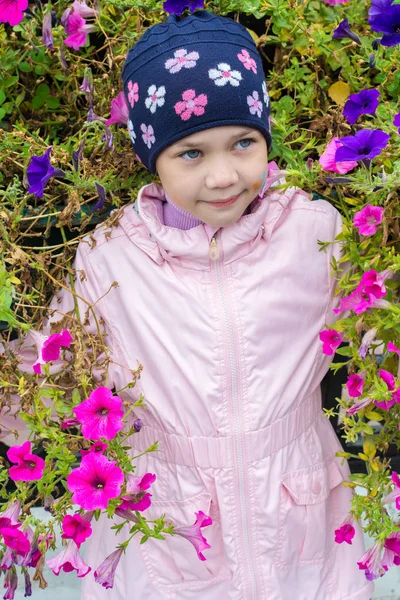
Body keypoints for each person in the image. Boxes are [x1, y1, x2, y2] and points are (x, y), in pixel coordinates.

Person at [1, 10, 373, 600]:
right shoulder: (111, 258)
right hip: (172, 516)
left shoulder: (313, 231)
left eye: (243, 143)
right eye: (191, 154)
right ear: (152, 157)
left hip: (296, 502)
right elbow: (55, 374)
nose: (224, 175)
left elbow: (373, 329)